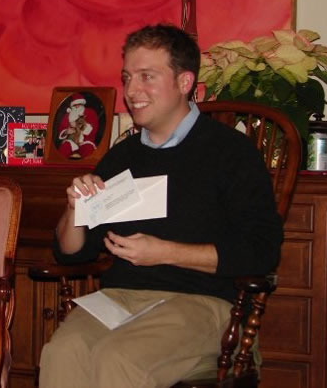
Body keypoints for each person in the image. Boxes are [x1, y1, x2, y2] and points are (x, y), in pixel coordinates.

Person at [39, 24, 283, 387]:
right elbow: (72, 253)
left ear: (184, 82)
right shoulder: (122, 157)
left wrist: (165, 252)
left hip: (203, 301)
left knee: (118, 358)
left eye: (146, 76)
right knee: (61, 353)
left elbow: (260, 252)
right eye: (127, 77)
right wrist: (74, 209)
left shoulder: (231, 153)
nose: (131, 91)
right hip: (120, 299)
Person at [57, 93, 99, 159]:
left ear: (82, 104)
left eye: (79, 104)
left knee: (89, 150)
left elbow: (93, 129)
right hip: (71, 140)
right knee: (64, 147)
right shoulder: (68, 115)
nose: (77, 106)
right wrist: (66, 131)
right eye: (74, 105)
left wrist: (77, 125)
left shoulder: (90, 112)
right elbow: (61, 129)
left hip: (86, 140)